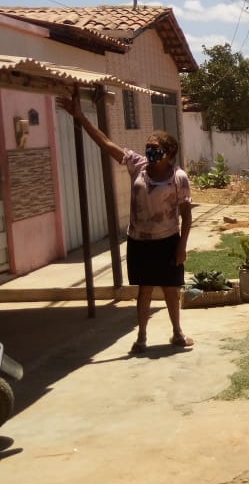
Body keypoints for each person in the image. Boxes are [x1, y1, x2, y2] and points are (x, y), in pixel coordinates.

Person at [57, 92, 194, 354]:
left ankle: (177, 332)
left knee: (170, 290)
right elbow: (107, 144)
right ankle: (141, 337)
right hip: (139, 240)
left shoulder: (179, 177)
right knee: (144, 290)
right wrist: (81, 117)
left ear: (170, 152)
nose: (150, 151)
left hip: (168, 241)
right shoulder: (138, 166)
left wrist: (182, 246)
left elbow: (186, 215)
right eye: (148, 146)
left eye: (156, 147)